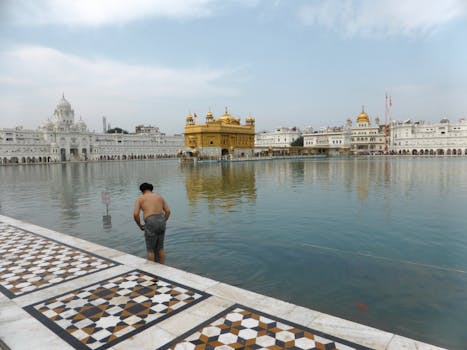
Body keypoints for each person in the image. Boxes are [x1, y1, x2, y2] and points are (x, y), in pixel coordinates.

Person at [133, 182, 171, 263]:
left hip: (150, 221)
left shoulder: (140, 198)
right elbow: (168, 211)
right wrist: (163, 221)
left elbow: (136, 214)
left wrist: (140, 225)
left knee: (150, 250)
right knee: (160, 248)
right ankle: (162, 267)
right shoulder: (159, 197)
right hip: (161, 220)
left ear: (142, 191)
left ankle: (151, 272)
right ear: (151, 189)